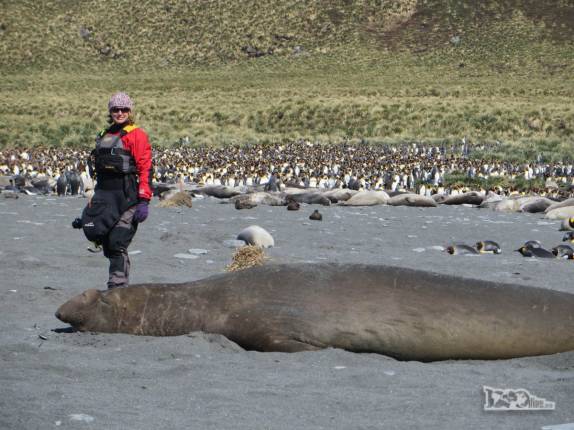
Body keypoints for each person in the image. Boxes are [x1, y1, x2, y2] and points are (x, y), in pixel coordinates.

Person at [81, 92, 153, 288]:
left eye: (124, 109)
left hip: (127, 197)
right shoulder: (104, 134)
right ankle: (116, 287)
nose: (120, 113)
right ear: (110, 111)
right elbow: (96, 173)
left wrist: (144, 200)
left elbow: (146, 167)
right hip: (105, 197)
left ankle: (117, 289)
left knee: (117, 243)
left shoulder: (136, 135)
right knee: (102, 239)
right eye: (116, 109)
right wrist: (90, 205)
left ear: (130, 111)